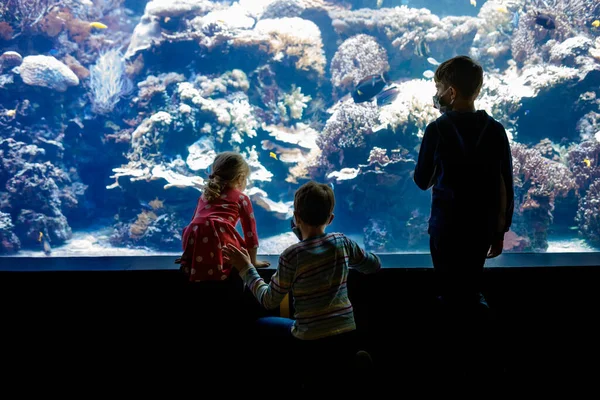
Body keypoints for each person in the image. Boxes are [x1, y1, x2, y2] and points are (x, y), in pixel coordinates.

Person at [223, 181, 380, 379]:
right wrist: (348, 258)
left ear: (296, 217)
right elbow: (374, 265)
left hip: (309, 341)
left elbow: (269, 299)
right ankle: (349, 363)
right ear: (330, 218)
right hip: (347, 334)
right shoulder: (342, 242)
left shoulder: (292, 255)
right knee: (337, 354)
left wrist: (246, 267)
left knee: (261, 325)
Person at [414, 55, 514, 310]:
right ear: (477, 90)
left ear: (451, 92)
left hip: (446, 227)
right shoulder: (495, 129)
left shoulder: (436, 129)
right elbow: (506, 184)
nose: (437, 95)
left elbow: (421, 180)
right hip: (481, 226)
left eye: (438, 89)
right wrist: (500, 231)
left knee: (448, 289)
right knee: (471, 285)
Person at [176, 152, 270, 352]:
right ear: (240, 178)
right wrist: (250, 262)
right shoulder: (242, 198)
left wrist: (189, 255)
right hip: (219, 239)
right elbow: (250, 233)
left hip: (196, 239)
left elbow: (196, 223)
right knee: (228, 297)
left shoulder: (205, 195)